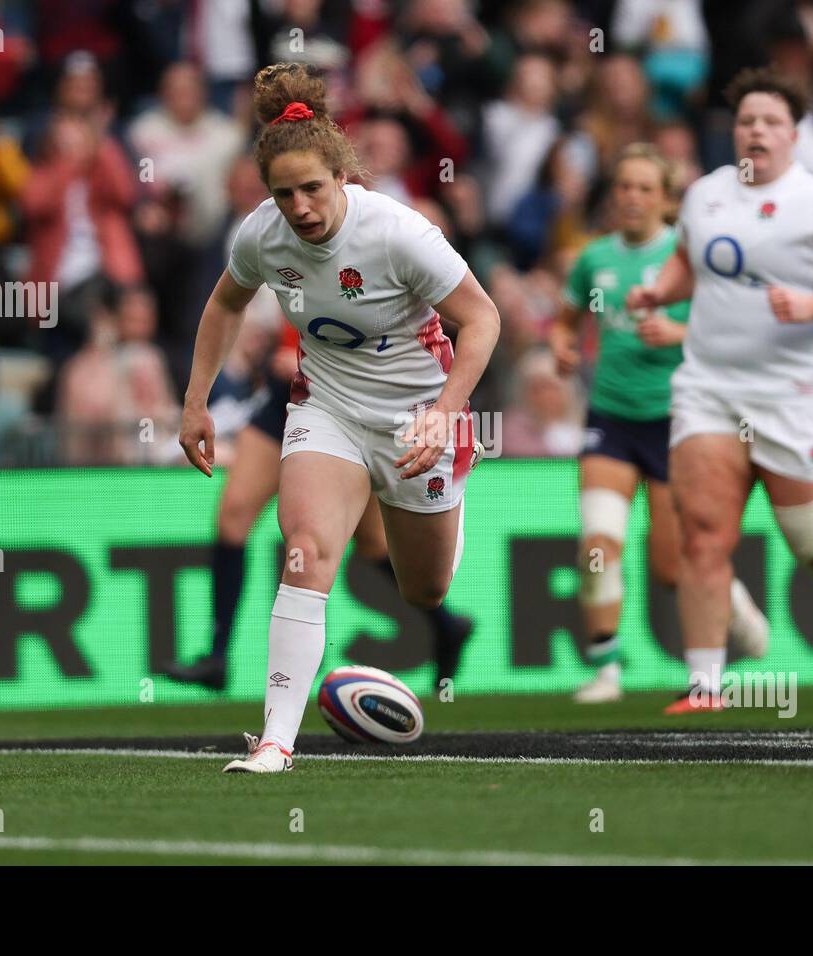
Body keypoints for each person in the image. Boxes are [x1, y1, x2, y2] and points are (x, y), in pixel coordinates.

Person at [180, 64, 499, 773]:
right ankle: (275, 743)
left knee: (426, 587)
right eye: (282, 193)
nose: (298, 207)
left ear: (342, 174)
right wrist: (195, 402)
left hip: (420, 418)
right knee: (306, 552)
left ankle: (445, 527)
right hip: (327, 407)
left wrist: (446, 415)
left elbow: (482, 319)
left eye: (312, 189)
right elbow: (225, 304)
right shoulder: (262, 235)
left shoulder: (397, 233)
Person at [626, 69, 813, 712]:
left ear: (793, 135)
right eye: (745, 121)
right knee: (702, 535)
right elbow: (690, 260)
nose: (755, 131)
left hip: (797, 395)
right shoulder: (707, 193)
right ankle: (706, 685)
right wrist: (661, 288)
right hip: (708, 387)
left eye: (769, 122)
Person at [551, 143, 768, 706]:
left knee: (675, 564)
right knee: (597, 544)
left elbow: (736, 328)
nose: (632, 197)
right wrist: (563, 348)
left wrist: (678, 335)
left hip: (679, 420)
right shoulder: (593, 258)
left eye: (645, 188)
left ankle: (734, 601)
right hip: (612, 419)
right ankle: (605, 668)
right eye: (624, 185)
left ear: (667, 199)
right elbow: (566, 321)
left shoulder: (688, 255)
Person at [160, 321, 475, 692]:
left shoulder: (371, 270)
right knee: (233, 517)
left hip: (344, 407)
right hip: (285, 401)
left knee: (373, 544)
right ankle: (216, 656)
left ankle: (447, 625)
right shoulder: (282, 264)